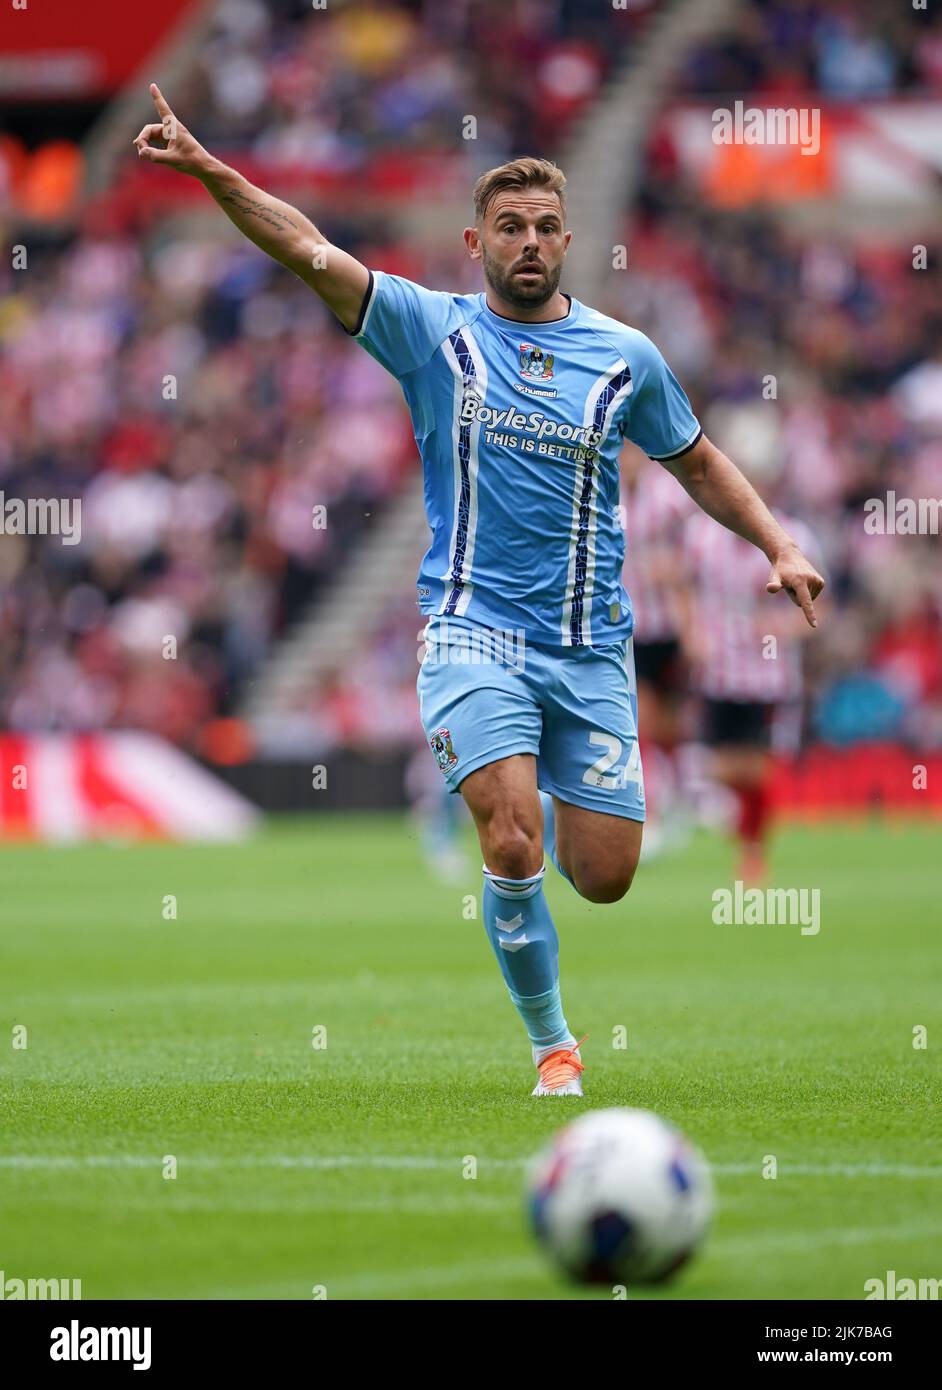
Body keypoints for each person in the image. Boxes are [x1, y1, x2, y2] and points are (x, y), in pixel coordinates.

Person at [134, 85, 824, 1095]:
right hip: (472, 633)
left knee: (606, 876)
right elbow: (306, 248)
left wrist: (777, 541)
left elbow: (698, 459)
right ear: (477, 241)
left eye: (546, 226)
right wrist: (210, 171)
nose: (531, 241)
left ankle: (544, 781)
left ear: (568, 237)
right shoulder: (429, 332)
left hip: (590, 647)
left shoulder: (625, 357)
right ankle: (554, 1047)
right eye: (511, 227)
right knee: (510, 835)